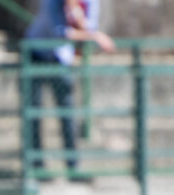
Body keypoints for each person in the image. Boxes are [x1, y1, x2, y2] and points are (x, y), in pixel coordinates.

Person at [25, 0, 115, 179]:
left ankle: (73, 167)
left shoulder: (90, 3)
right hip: (37, 53)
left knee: (67, 111)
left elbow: (88, 27)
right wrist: (95, 36)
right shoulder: (51, 3)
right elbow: (60, 32)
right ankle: (36, 167)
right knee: (34, 111)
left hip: (60, 58)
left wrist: (78, 16)